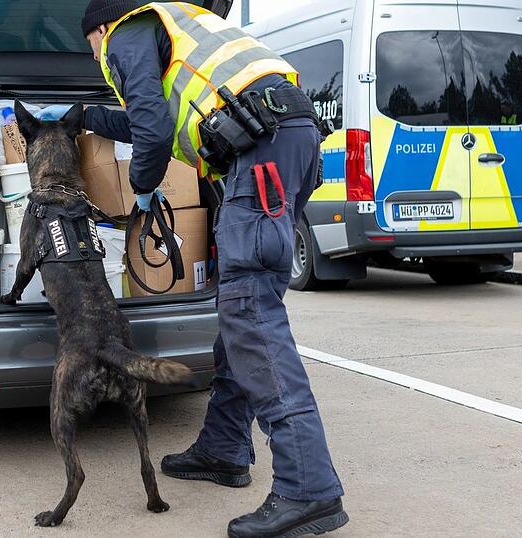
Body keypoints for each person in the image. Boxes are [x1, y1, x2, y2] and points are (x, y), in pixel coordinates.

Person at [80, 2, 347, 536]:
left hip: (262, 148)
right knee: (242, 309)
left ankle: (307, 489)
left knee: (251, 317)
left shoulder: (125, 32)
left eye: (90, 47)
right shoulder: (183, 25)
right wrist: (84, 117)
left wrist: (143, 187)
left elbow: (151, 132)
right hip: (286, 138)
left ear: (101, 28)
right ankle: (224, 448)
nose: (96, 60)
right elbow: (142, 117)